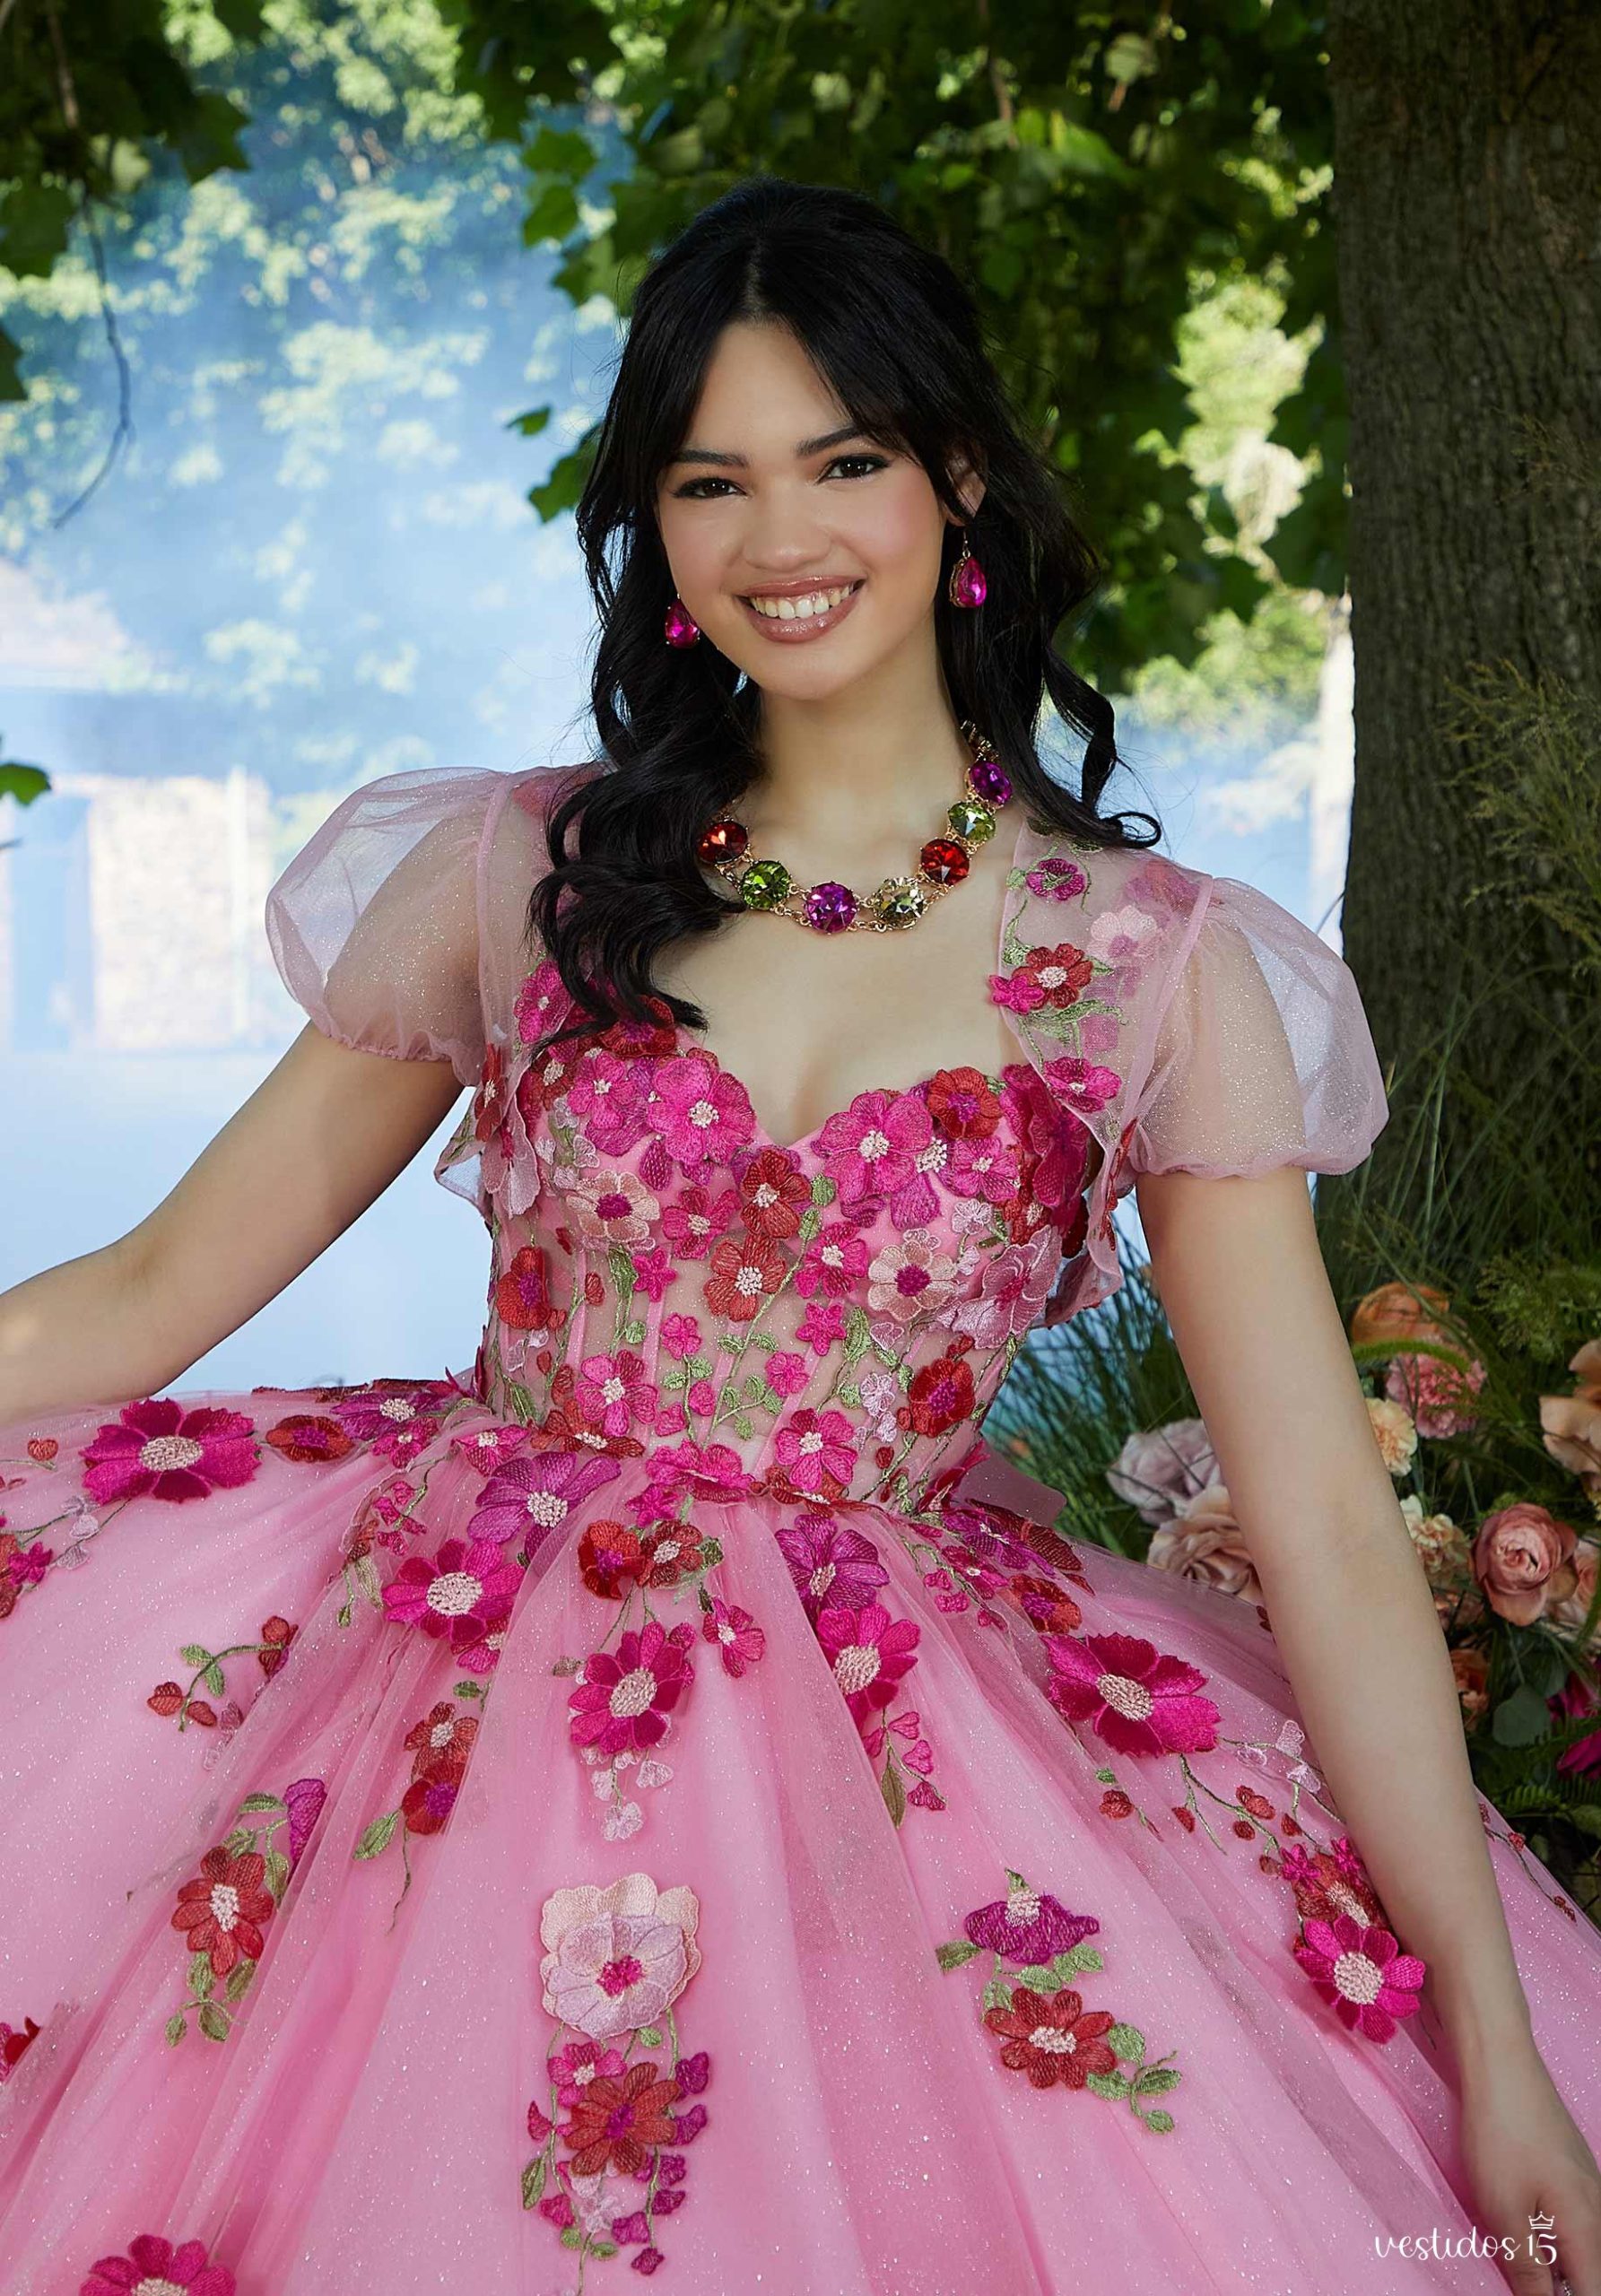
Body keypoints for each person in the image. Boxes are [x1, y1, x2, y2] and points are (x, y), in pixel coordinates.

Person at [0, 176, 1597, 2296]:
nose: (781, 538)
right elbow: (145, 1288)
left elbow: (1309, 1504)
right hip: (442, 1721)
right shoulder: (528, 873)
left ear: (953, 477)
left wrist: (1491, 2040)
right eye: (710, 479)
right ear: (650, 529)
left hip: (890, 1777)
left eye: (841, 461)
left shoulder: (1138, 965)